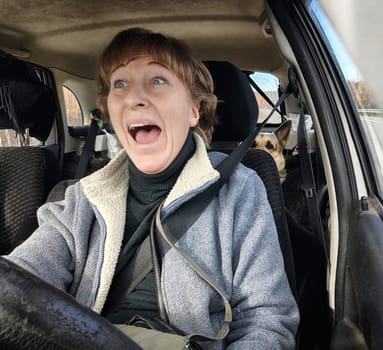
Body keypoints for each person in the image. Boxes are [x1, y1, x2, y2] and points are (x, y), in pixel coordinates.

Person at [5, 27, 299, 349]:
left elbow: (267, 321)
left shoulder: (240, 190)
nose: (134, 97)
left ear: (193, 111)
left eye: (157, 81)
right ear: (111, 115)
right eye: (120, 84)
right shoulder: (79, 200)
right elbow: (20, 281)